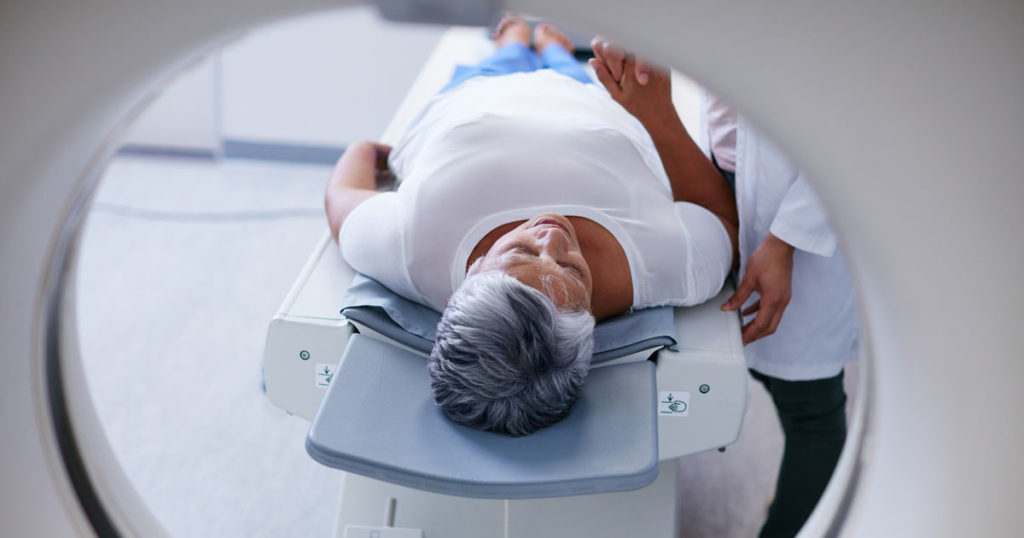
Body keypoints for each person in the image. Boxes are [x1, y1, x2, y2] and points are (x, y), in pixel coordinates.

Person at [325, 16, 738, 436]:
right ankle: (550, 48)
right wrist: (659, 114)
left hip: (474, 98)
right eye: (574, 270)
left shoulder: (409, 250)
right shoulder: (670, 267)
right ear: (590, 324)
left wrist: (364, 152)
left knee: (504, 53)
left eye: (520, 252)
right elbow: (721, 219)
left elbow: (341, 199)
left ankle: (515, 40)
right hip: (587, 103)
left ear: (459, 292)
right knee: (565, 63)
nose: (554, 234)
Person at [589, 38, 859, 537]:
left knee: (812, 410)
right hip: (729, 168)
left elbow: (855, 123)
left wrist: (783, 241)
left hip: (796, 205)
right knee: (757, 362)